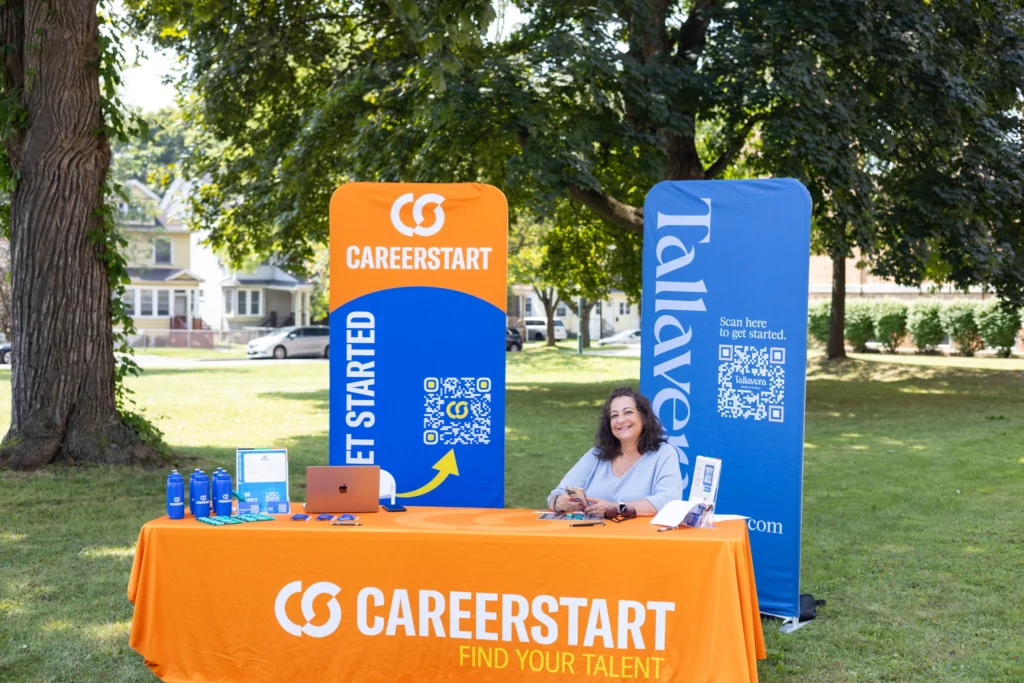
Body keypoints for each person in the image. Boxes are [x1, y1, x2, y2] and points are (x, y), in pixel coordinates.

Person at [547, 387, 683, 517]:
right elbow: (555, 496)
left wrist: (615, 508)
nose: (620, 420)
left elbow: (667, 502)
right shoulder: (595, 455)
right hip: (593, 531)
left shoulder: (664, 454)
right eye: (614, 415)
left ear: (643, 417)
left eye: (628, 412)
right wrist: (559, 502)